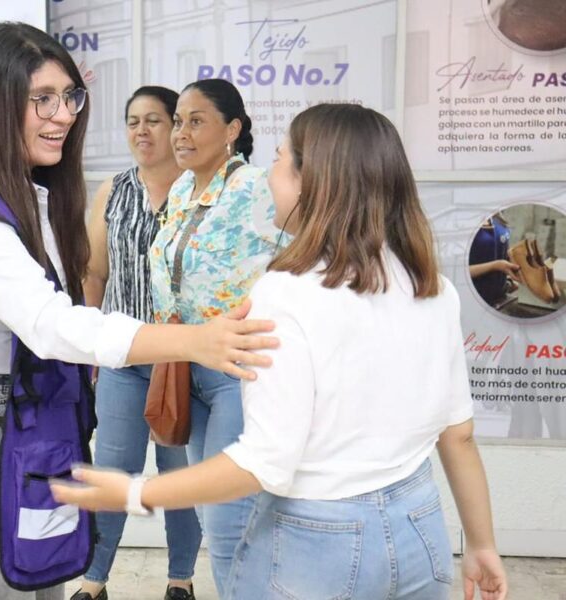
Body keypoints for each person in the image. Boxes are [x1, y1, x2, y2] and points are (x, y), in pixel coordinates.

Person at [0, 23, 277, 600]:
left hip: (25, 422)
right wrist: (192, 341)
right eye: (42, 100)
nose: (63, 114)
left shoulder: (23, 188)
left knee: (42, 579)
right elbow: (53, 324)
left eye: (69, 97)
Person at [52, 103, 509, 600]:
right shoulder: (433, 289)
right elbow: (458, 436)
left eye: (279, 157)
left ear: (313, 183)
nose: (267, 173)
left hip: (318, 540)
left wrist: (136, 492)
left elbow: (262, 464)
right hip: (421, 529)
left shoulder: (286, 294)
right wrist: (482, 544)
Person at [146, 78, 282, 596]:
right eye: (178, 121)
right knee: (214, 512)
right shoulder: (183, 187)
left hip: (235, 371)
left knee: (227, 517)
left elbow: (304, 254)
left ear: (233, 130)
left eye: (195, 121)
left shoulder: (254, 188)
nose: (180, 132)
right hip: (187, 366)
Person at [75, 86, 202, 600]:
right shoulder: (113, 191)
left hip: (182, 361)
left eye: (154, 120)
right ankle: (93, 580)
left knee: (180, 478)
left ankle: (180, 581)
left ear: (177, 128)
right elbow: (94, 273)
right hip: (123, 356)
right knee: (112, 470)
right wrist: (87, 346)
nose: (141, 131)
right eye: (132, 121)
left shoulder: (203, 193)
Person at [468, 215, 519, 308]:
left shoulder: (497, 218)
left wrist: (508, 280)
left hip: (499, 298)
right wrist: (495, 266)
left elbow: (497, 253)